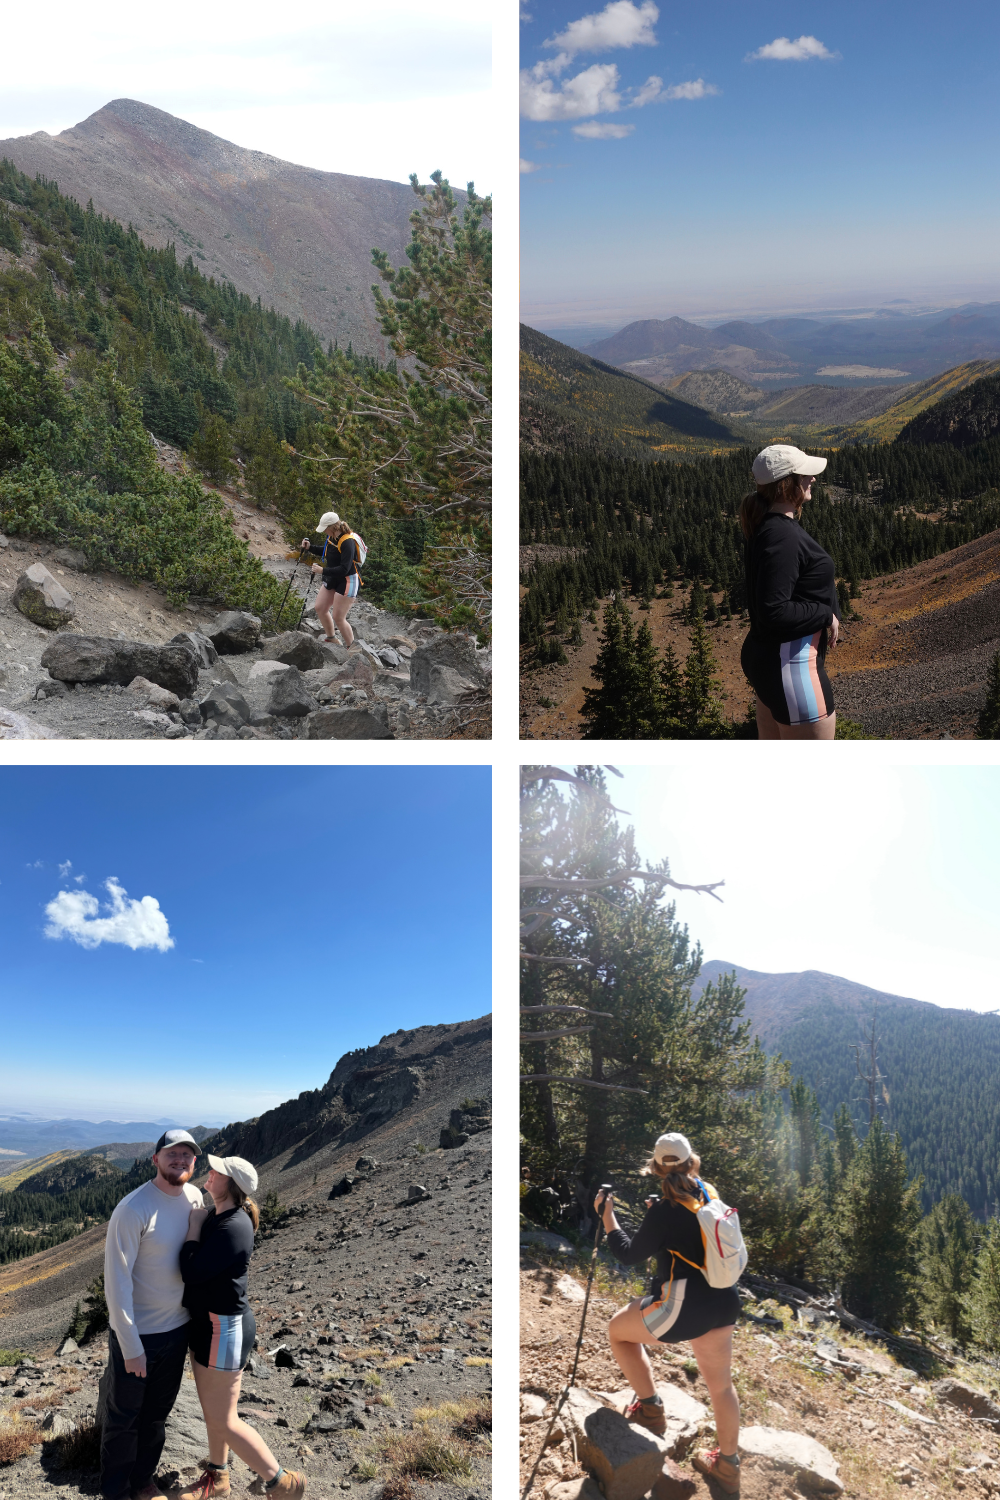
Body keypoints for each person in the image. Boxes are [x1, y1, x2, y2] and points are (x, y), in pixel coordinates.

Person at [596, 1133, 743, 1497]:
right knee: (721, 1386)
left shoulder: (665, 1211)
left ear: (658, 1167)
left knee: (619, 1331)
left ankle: (650, 1409)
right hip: (724, 1301)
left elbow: (629, 1254)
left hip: (683, 1308)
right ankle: (728, 1465)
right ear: (692, 1161)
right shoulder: (708, 1192)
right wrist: (657, 1219)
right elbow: (692, 1239)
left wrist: (608, 1217)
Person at [178, 1154, 306, 1498]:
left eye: (215, 1171)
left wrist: (192, 1227)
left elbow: (191, 1273)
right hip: (210, 1326)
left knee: (224, 1419)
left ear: (230, 1184)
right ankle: (217, 1478)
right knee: (214, 1413)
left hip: (225, 1330)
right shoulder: (221, 1216)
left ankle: (282, 1482)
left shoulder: (234, 1225)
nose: (209, 1173)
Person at [99, 1129, 206, 1500]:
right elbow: (117, 1282)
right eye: (172, 1154)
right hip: (139, 1335)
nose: (180, 1160)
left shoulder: (195, 1197)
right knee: (124, 1418)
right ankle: (115, 1491)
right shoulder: (133, 1209)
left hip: (176, 1331)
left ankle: (143, 1481)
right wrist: (130, 1345)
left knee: (157, 1415)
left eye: (187, 1155)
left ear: (195, 1161)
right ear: (155, 1159)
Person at [739, 443, 840, 740]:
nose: (813, 478)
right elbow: (774, 609)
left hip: (771, 661)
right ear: (786, 485)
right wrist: (825, 615)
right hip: (793, 668)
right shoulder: (782, 536)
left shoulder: (767, 526)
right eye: (805, 474)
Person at [299, 511, 364, 648]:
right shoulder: (332, 537)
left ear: (332, 527)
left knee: (338, 617)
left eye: (325, 529)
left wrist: (322, 570)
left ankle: (353, 650)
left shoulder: (348, 542)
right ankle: (331, 638)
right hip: (333, 578)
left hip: (347, 581)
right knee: (320, 607)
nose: (324, 532)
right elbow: (328, 551)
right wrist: (310, 548)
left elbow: (344, 569)